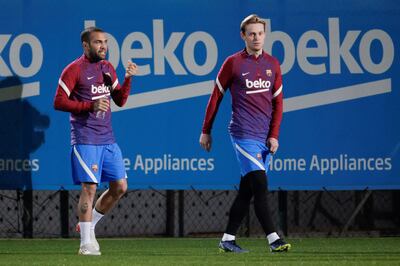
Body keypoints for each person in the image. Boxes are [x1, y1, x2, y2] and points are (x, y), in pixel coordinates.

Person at [199, 14, 291, 253]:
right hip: (242, 133)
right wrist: (206, 130)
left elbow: (278, 104)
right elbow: (215, 97)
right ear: (243, 36)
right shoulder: (233, 63)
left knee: (247, 190)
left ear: (265, 35)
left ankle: (227, 239)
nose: (256, 37)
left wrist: (274, 135)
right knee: (260, 184)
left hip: (264, 137)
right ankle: (274, 240)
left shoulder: (273, 64)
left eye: (260, 33)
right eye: (251, 33)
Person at [53, 27, 137, 255]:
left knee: (120, 187)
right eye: (98, 42)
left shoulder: (108, 68)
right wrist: (89, 106)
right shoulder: (74, 70)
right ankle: (85, 243)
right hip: (85, 138)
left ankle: (88, 226)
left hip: (108, 139)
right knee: (89, 189)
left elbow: (120, 99)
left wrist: (128, 78)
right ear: (86, 45)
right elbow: (59, 102)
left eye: (105, 42)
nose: (103, 46)